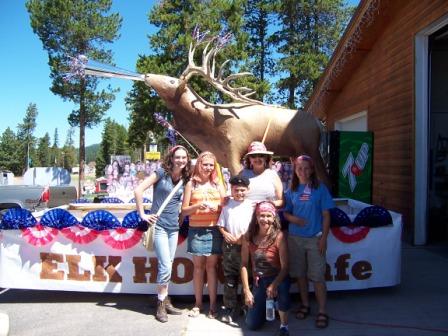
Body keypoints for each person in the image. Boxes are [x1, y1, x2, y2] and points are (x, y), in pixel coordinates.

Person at [134, 145, 191, 323]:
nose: (181, 160)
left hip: (173, 228)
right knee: (165, 265)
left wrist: (181, 220)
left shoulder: (186, 179)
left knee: (168, 264)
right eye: (178, 157)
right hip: (158, 226)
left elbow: (184, 208)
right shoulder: (160, 173)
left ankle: (165, 299)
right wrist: (143, 214)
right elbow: (138, 190)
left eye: (184, 158)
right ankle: (160, 303)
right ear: (172, 158)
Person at [283, 155, 334, 329]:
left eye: (306, 168)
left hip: (315, 238)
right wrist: (294, 219)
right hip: (295, 239)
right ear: (295, 171)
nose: (303, 171)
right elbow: (286, 213)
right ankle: (305, 304)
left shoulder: (320, 189)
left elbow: (327, 215)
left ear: (312, 170)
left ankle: (322, 310)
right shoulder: (292, 190)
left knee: (318, 277)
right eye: (299, 168)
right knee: (300, 274)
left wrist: (324, 239)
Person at [181, 151, 226, 319]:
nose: (207, 168)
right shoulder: (190, 185)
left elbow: (225, 207)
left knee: (211, 268)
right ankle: (198, 304)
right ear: (198, 165)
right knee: (198, 269)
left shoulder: (218, 184)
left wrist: (218, 208)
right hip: (196, 230)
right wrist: (197, 206)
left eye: (211, 165)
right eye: (204, 164)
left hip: (214, 230)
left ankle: (213, 304)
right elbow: (184, 211)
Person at [241, 201, 290, 336]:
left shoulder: (279, 236)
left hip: (278, 277)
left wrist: (274, 285)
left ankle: (284, 326)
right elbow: (244, 264)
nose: (265, 219)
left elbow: (285, 267)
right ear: (256, 218)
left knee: (283, 289)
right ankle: (263, 308)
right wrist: (246, 291)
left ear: (274, 218)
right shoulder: (248, 236)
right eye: (261, 215)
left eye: (269, 216)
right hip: (260, 280)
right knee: (252, 325)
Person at [217, 175, 254, 325]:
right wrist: (225, 233)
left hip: (247, 245)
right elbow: (220, 224)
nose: (239, 193)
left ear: (248, 190)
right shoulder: (227, 205)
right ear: (231, 190)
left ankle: (247, 305)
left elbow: (253, 225)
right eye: (236, 190)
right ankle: (230, 307)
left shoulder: (252, 205)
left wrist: (243, 236)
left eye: (242, 190)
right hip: (230, 247)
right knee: (231, 278)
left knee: (249, 277)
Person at [240, 141, 283, 207]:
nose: (257, 159)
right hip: (247, 214)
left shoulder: (272, 174)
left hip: (267, 215)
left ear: (266, 158)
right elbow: (234, 194)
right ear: (249, 159)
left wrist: (269, 204)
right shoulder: (243, 174)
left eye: (261, 155)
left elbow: (281, 200)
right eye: (253, 156)